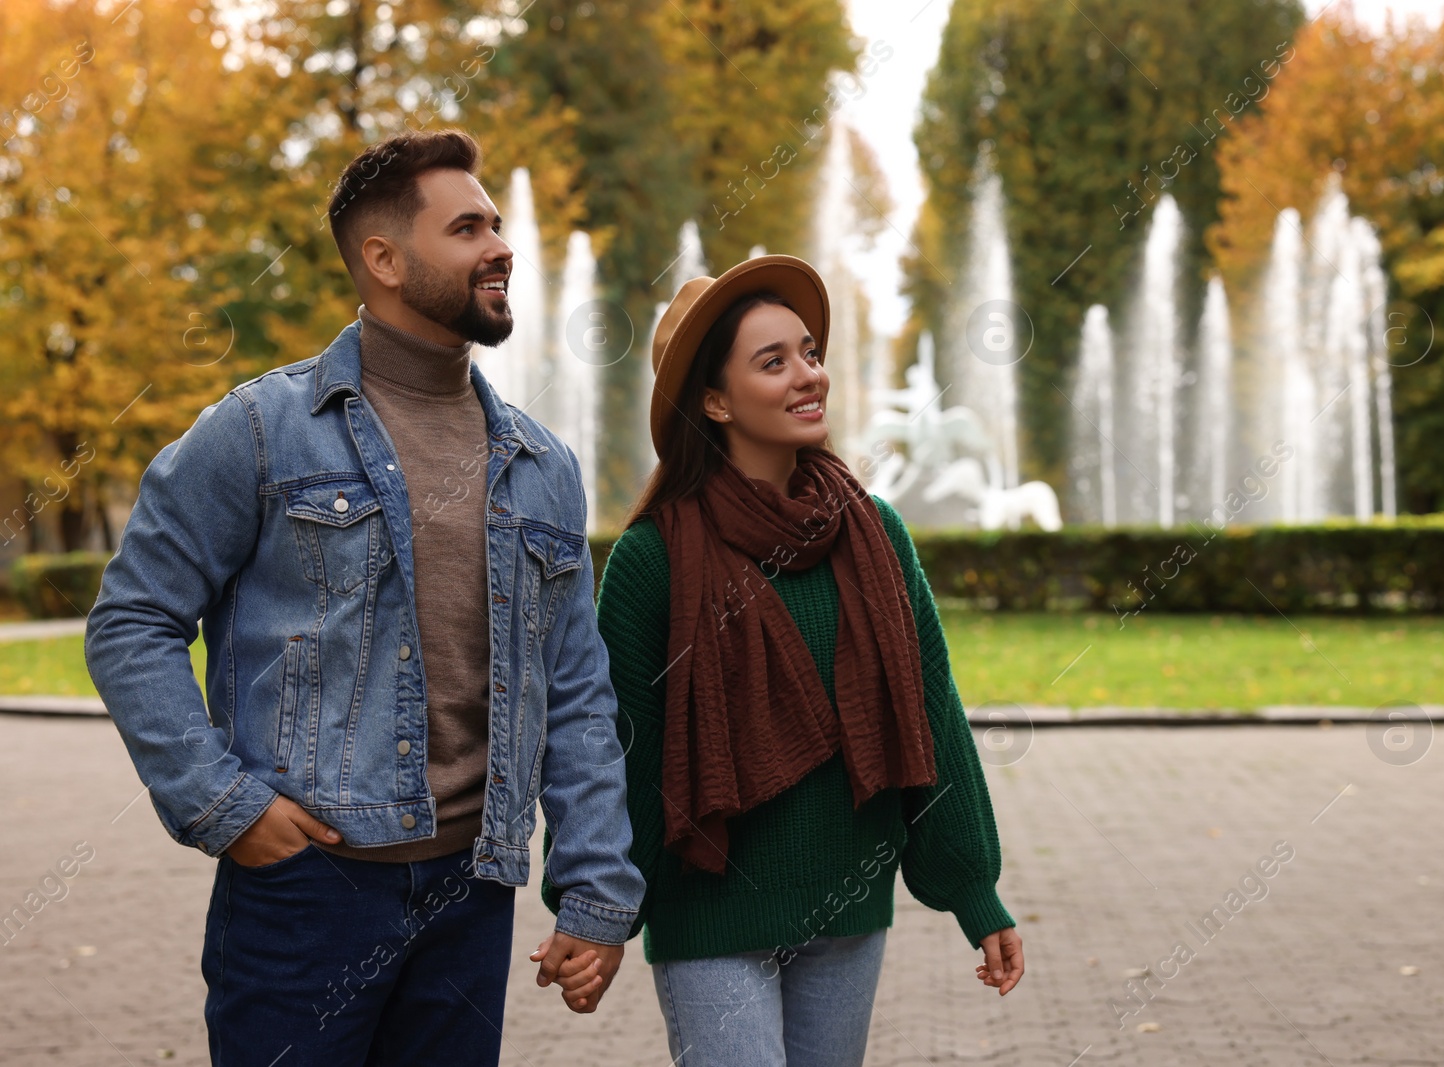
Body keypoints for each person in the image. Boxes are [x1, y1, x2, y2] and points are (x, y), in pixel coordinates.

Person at [84, 128, 640, 1065]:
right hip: (306, 893)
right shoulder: (261, 430)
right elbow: (132, 619)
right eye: (467, 228)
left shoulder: (544, 466)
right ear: (382, 259)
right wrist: (224, 803)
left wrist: (594, 889)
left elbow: (577, 689)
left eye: (498, 224)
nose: (501, 245)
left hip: (473, 893)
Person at [575, 254, 1025, 1066]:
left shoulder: (874, 531)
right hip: (710, 918)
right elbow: (619, 754)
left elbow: (933, 712)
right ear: (714, 401)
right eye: (773, 361)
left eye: (810, 352)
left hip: (847, 911)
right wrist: (597, 912)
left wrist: (973, 888)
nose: (807, 375)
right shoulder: (653, 560)